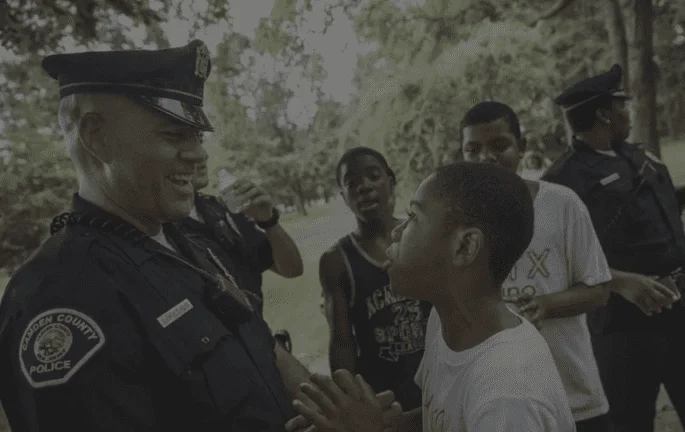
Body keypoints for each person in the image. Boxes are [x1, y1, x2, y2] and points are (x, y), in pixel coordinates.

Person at [0, 40, 315, 431]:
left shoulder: (189, 244)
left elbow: (260, 346)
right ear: (97, 138)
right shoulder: (61, 293)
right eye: (174, 136)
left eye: (197, 137)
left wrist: (331, 410)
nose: (199, 156)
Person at [290, 162, 575, 431]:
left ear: (465, 247)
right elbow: (438, 417)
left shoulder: (508, 396)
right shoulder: (445, 322)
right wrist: (385, 423)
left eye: (413, 217)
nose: (397, 231)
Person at [542, 64, 685, 432]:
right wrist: (616, 281)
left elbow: (644, 207)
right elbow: (557, 258)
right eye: (622, 106)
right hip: (627, 327)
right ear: (604, 113)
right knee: (630, 422)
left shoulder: (635, 155)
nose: (628, 113)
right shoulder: (562, 182)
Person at [459, 101, 613, 431]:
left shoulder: (561, 204)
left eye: (499, 145)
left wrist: (545, 305)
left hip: (574, 394)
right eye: (472, 149)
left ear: (522, 146)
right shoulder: (457, 223)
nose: (485, 158)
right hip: (504, 402)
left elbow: (599, 290)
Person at [318, 147, 431, 412]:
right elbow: (342, 341)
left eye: (373, 176)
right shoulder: (336, 260)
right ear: (343, 196)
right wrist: (348, 400)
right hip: (385, 396)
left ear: (390, 181)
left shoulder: (421, 234)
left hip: (437, 378)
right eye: (352, 183)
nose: (364, 187)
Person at [178, 162, 304, 351]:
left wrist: (268, 221)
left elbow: (292, 269)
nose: (201, 154)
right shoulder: (159, 229)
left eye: (199, 139)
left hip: (262, 346)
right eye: (181, 139)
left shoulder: (220, 209)